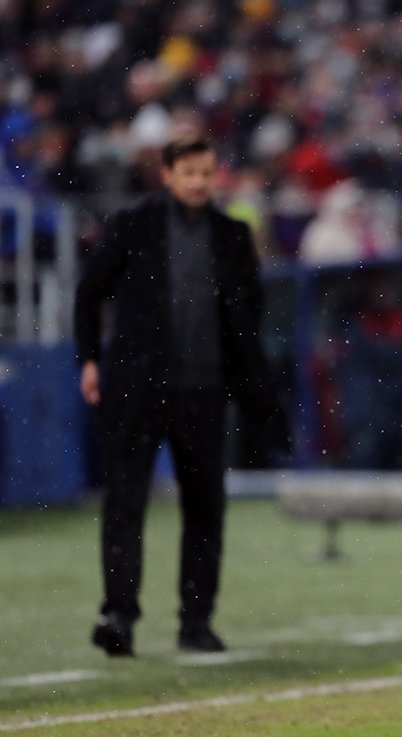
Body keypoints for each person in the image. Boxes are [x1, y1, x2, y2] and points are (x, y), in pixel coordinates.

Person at [74, 132, 285, 657]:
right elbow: (89, 292)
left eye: (206, 173)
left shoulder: (231, 236)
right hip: (137, 392)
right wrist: (89, 360)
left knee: (205, 509)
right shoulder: (132, 226)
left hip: (205, 393)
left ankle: (196, 621)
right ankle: (118, 616)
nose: (198, 183)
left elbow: (250, 313)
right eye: (188, 173)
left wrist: (246, 380)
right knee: (125, 505)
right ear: (167, 175)